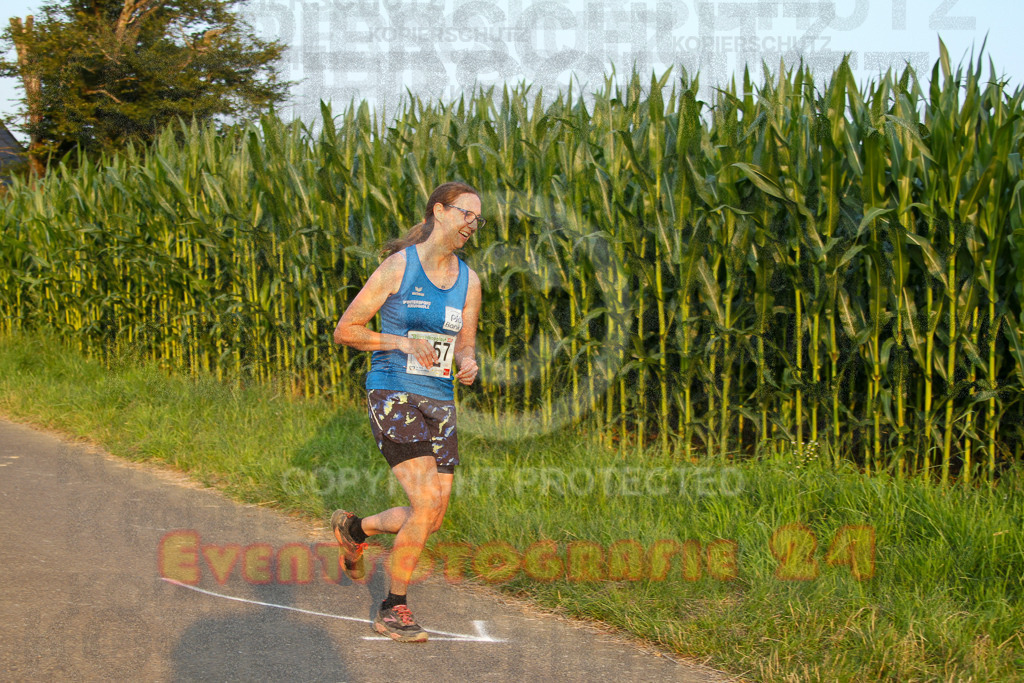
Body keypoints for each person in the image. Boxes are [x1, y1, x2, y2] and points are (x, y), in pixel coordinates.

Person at [330, 181, 483, 643]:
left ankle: (356, 528)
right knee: (426, 502)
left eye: (479, 219)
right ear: (440, 211)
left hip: (440, 400)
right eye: (465, 214)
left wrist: (469, 362)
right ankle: (393, 606)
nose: (472, 225)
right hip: (393, 391)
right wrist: (400, 342)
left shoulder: (469, 280)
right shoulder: (399, 266)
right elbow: (346, 330)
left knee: (432, 517)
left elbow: (465, 340)